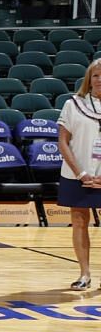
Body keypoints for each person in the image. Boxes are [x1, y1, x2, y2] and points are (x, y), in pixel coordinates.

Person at [58, 59, 101, 290]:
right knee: (78, 220)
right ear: (89, 79)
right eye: (96, 75)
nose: (100, 79)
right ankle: (84, 274)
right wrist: (81, 173)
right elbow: (63, 142)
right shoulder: (73, 104)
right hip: (77, 174)